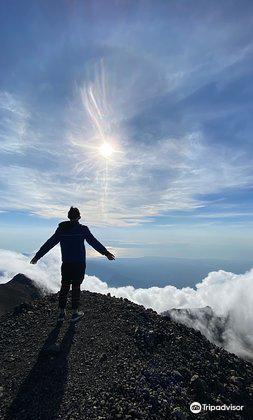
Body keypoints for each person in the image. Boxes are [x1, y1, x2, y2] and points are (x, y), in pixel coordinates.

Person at [30, 207, 115, 323]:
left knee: (64, 286)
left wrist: (37, 256)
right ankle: (75, 313)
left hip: (66, 264)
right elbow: (94, 242)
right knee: (76, 286)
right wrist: (106, 253)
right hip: (79, 264)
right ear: (79, 217)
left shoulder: (61, 230)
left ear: (69, 217)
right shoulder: (82, 230)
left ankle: (61, 313)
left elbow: (49, 244)